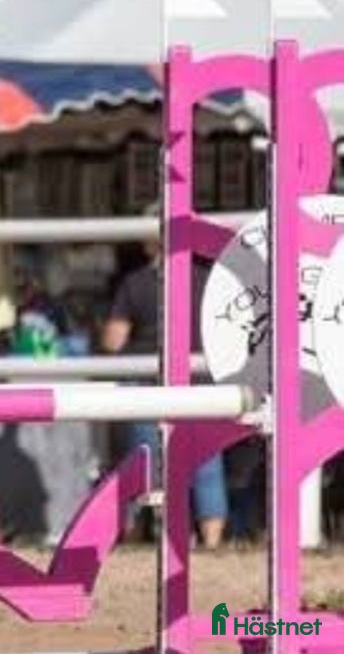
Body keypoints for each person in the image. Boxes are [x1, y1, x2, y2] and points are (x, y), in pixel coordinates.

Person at [101, 218, 228, 549]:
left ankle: (143, 537)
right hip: (200, 380)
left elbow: (114, 341)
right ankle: (212, 543)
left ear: (148, 244)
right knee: (206, 464)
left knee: (145, 464)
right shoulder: (208, 280)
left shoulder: (136, 283)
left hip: (149, 382)